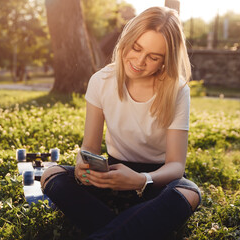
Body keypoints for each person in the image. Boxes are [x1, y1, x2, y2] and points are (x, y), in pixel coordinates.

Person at [41, 6, 201, 239]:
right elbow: (89, 147)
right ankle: (135, 225)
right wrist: (82, 164)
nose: (139, 61)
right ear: (127, 40)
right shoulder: (101, 80)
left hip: (154, 181)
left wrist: (141, 180)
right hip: (110, 176)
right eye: (136, 48)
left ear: (165, 60)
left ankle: (114, 227)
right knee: (50, 174)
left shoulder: (177, 91)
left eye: (153, 57)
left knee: (189, 192)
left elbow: (176, 165)